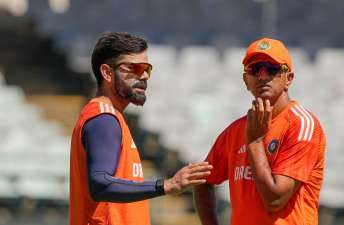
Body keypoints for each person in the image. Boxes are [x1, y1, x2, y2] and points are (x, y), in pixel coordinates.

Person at [70, 32, 212, 225]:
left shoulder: (111, 116)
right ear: (107, 73)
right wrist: (167, 185)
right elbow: (101, 184)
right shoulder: (104, 118)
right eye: (134, 68)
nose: (144, 75)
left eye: (147, 68)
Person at [193, 38, 326, 225]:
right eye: (255, 69)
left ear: (289, 79)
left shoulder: (302, 125)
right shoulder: (236, 130)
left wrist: (255, 142)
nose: (262, 76)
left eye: (271, 69)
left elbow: (275, 200)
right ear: (246, 80)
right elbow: (202, 181)